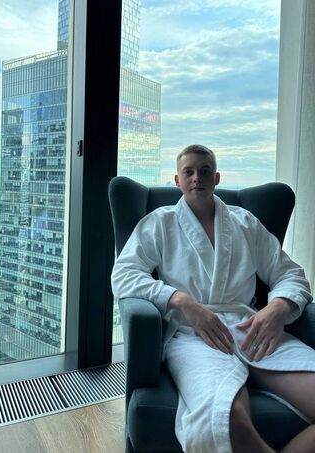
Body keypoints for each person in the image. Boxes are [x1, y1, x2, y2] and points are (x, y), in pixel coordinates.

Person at [111, 144, 315, 453]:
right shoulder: (160, 222)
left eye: (205, 171)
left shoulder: (245, 222)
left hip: (251, 329)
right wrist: (181, 300)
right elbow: (124, 274)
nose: (197, 177)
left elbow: (290, 273)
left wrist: (278, 307)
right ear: (177, 180)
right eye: (188, 172)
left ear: (216, 177)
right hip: (193, 336)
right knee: (227, 421)